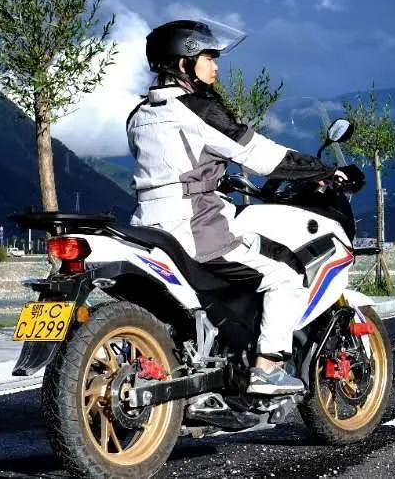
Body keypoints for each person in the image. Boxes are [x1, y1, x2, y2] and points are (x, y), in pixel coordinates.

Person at [128, 19, 354, 394]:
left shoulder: (139, 115)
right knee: (287, 271)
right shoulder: (198, 109)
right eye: (208, 57)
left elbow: (174, 166)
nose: (215, 66)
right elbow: (261, 156)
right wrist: (327, 170)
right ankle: (268, 369)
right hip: (196, 228)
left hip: (146, 227)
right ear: (184, 63)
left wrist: (216, 180)